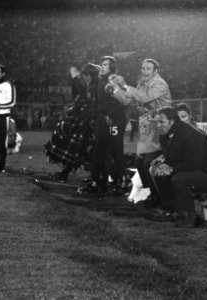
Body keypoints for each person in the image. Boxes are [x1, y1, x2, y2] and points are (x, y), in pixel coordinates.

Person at [110, 58, 172, 207]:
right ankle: (150, 194)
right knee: (139, 162)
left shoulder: (160, 84)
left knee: (147, 163)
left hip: (159, 124)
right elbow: (127, 101)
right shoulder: (142, 84)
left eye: (148, 69)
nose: (144, 71)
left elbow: (145, 97)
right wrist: (115, 87)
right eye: (143, 68)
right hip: (148, 124)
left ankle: (159, 197)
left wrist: (125, 84)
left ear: (155, 71)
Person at [149, 107, 207, 228]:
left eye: (161, 122)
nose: (158, 125)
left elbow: (194, 163)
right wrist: (164, 165)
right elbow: (173, 157)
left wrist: (172, 168)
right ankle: (171, 209)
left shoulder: (188, 134)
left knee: (179, 178)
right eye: (157, 122)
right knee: (158, 171)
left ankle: (190, 216)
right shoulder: (165, 134)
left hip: (206, 171)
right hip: (190, 167)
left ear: (172, 122)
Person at [81, 56, 128, 194]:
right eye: (101, 64)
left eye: (105, 65)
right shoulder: (100, 82)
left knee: (117, 153)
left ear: (112, 68)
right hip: (103, 120)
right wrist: (84, 116)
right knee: (98, 152)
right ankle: (96, 182)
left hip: (115, 122)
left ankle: (121, 183)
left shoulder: (115, 81)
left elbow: (121, 102)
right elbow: (97, 106)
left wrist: (110, 116)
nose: (102, 66)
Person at [45, 63, 99, 182]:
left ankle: (98, 178)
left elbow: (86, 99)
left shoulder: (96, 87)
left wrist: (75, 77)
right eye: (84, 75)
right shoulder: (89, 86)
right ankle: (69, 173)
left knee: (83, 149)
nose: (85, 77)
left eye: (88, 75)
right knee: (78, 149)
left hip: (89, 121)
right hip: (83, 120)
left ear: (93, 76)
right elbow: (77, 93)